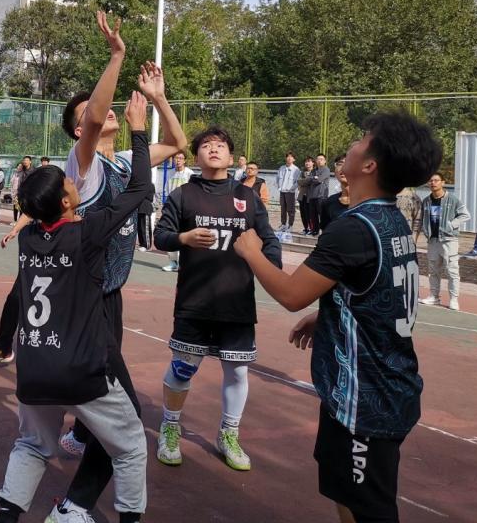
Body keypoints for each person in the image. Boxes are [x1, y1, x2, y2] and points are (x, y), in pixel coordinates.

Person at [0, 16, 184, 518]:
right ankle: (76, 505)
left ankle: (70, 447)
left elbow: (179, 144)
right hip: (89, 297)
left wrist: (159, 99)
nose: (106, 109)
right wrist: (116, 57)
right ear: (78, 130)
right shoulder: (83, 163)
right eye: (92, 111)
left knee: (72, 420)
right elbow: (96, 118)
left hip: (103, 296)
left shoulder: (123, 162)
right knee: (123, 418)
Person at [233, 110, 442, 523]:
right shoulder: (389, 218)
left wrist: (252, 253)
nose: (354, 143)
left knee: (369, 509)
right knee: (345, 492)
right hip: (373, 387)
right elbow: (376, 289)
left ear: (370, 165)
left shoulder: (354, 229)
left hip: (367, 398)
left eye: (363, 139)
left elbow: (291, 295)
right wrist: (331, 312)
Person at [0, 92, 152, 523]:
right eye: (67, 184)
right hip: (79, 366)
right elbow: (141, 188)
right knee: (130, 446)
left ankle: (7, 517)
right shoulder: (89, 232)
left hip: (33, 366)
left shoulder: (28, 239)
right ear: (65, 201)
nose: (73, 182)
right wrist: (139, 130)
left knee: (31, 445)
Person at [152, 125, 282, 472]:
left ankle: (228, 434)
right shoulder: (183, 195)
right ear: (196, 155)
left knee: (237, 371)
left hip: (237, 303)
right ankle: (170, 427)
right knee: (182, 369)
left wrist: (271, 270)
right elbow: (160, 236)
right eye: (206, 145)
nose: (213, 149)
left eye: (220, 145)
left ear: (230, 155)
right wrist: (184, 238)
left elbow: (270, 240)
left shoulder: (247, 196)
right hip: (194, 301)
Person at [419, 172, 469, 311]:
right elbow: (423, 218)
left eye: (436, 180)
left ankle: (454, 299)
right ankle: (434, 296)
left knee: (452, 271)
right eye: (431, 181)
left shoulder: (453, 199)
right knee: (433, 270)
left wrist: (451, 225)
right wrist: (424, 231)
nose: (433, 183)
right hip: (433, 240)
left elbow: (465, 215)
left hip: (449, 240)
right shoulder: (426, 201)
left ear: (443, 182)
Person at [162, 152, 194, 273]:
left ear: (184, 160)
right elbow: (166, 190)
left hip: (185, 208)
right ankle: (173, 262)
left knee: (185, 235)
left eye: (180, 158)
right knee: (171, 234)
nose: (178, 160)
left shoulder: (190, 173)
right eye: (176, 158)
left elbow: (193, 191)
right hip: (171, 208)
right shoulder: (170, 173)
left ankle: (184, 262)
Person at [319, 155, 349, 233]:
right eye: (340, 164)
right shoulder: (329, 202)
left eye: (348, 163)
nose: (343, 168)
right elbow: (325, 232)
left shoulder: (368, 203)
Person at [276, 152, 301, 233]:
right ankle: (283, 224)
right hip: (282, 191)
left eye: (291, 157)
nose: (289, 158)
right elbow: (277, 178)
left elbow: (297, 182)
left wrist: (291, 189)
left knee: (290, 210)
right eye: (288, 157)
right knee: (283, 209)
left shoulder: (296, 169)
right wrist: (279, 187)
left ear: (294, 159)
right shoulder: (282, 168)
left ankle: (290, 225)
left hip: (291, 192)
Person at [308, 154, 331, 236]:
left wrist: (315, 178)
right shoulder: (313, 170)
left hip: (322, 196)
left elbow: (319, 180)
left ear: (325, 161)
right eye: (318, 159)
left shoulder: (326, 170)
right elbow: (309, 180)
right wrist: (314, 178)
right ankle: (315, 230)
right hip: (312, 195)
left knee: (322, 215)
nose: (319, 161)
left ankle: (324, 231)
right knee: (313, 215)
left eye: (321, 159)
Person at [298, 157, 316, 234]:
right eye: (306, 162)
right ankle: (306, 228)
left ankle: (312, 229)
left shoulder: (315, 172)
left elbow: (313, 182)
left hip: (310, 196)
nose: (307, 163)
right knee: (303, 214)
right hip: (302, 196)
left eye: (309, 161)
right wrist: (308, 180)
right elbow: (299, 182)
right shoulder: (302, 172)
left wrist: (305, 181)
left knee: (310, 214)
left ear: (313, 163)